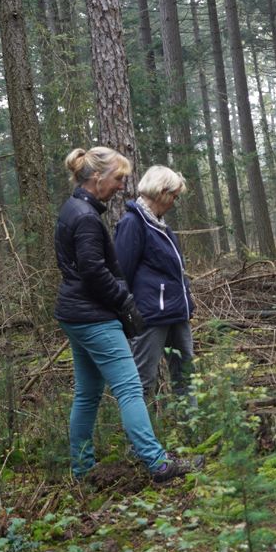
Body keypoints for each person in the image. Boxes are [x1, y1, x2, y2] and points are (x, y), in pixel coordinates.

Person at [54, 147, 200, 483]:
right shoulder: (87, 218)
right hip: (93, 316)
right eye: (118, 178)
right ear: (97, 177)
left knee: (87, 393)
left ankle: (82, 469)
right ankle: (157, 463)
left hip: (75, 313)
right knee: (131, 389)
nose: (122, 185)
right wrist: (125, 302)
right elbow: (94, 270)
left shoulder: (73, 209)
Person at [114, 165, 195, 405]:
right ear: (161, 192)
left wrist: (187, 301)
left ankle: (192, 426)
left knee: (186, 376)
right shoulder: (132, 223)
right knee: (141, 381)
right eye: (174, 196)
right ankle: (136, 430)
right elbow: (121, 273)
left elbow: (175, 272)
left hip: (177, 313)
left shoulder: (161, 226)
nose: (174, 202)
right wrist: (130, 314)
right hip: (150, 317)